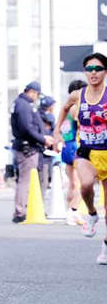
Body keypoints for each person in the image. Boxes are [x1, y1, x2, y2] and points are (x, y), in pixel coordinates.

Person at [54, 54, 107, 261]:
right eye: (89, 68)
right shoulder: (78, 94)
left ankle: (105, 247)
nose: (93, 72)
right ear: (85, 71)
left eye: (98, 68)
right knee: (84, 184)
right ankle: (92, 214)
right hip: (87, 150)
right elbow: (64, 108)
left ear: (105, 72)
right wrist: (57, 132)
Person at [11, 81, 53, 223]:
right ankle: (20, 211)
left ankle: (24, 209)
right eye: (36, 94)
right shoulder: (23, 105)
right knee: (25, 180)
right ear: (32, 92)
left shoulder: (23, 104)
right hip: (27, 147)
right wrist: (43, 139)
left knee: (28, 180)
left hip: (29, 146)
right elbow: (27, 128)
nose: (36, 97)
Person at [58, 79, 87, 226]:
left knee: (72, 184)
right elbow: (83, 125)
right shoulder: (76, 107)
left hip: (66, 145)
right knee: (82, 183)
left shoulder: (66, 106)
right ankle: (72, 212)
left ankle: (70, 212)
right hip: (76, 145)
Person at [38, 96, 56, 200]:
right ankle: (39, 204)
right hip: (45, 152)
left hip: (40, 151)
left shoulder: (37, 115)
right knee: (44, 180)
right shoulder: (49, 117)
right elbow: (53, 132)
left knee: (41, 179)